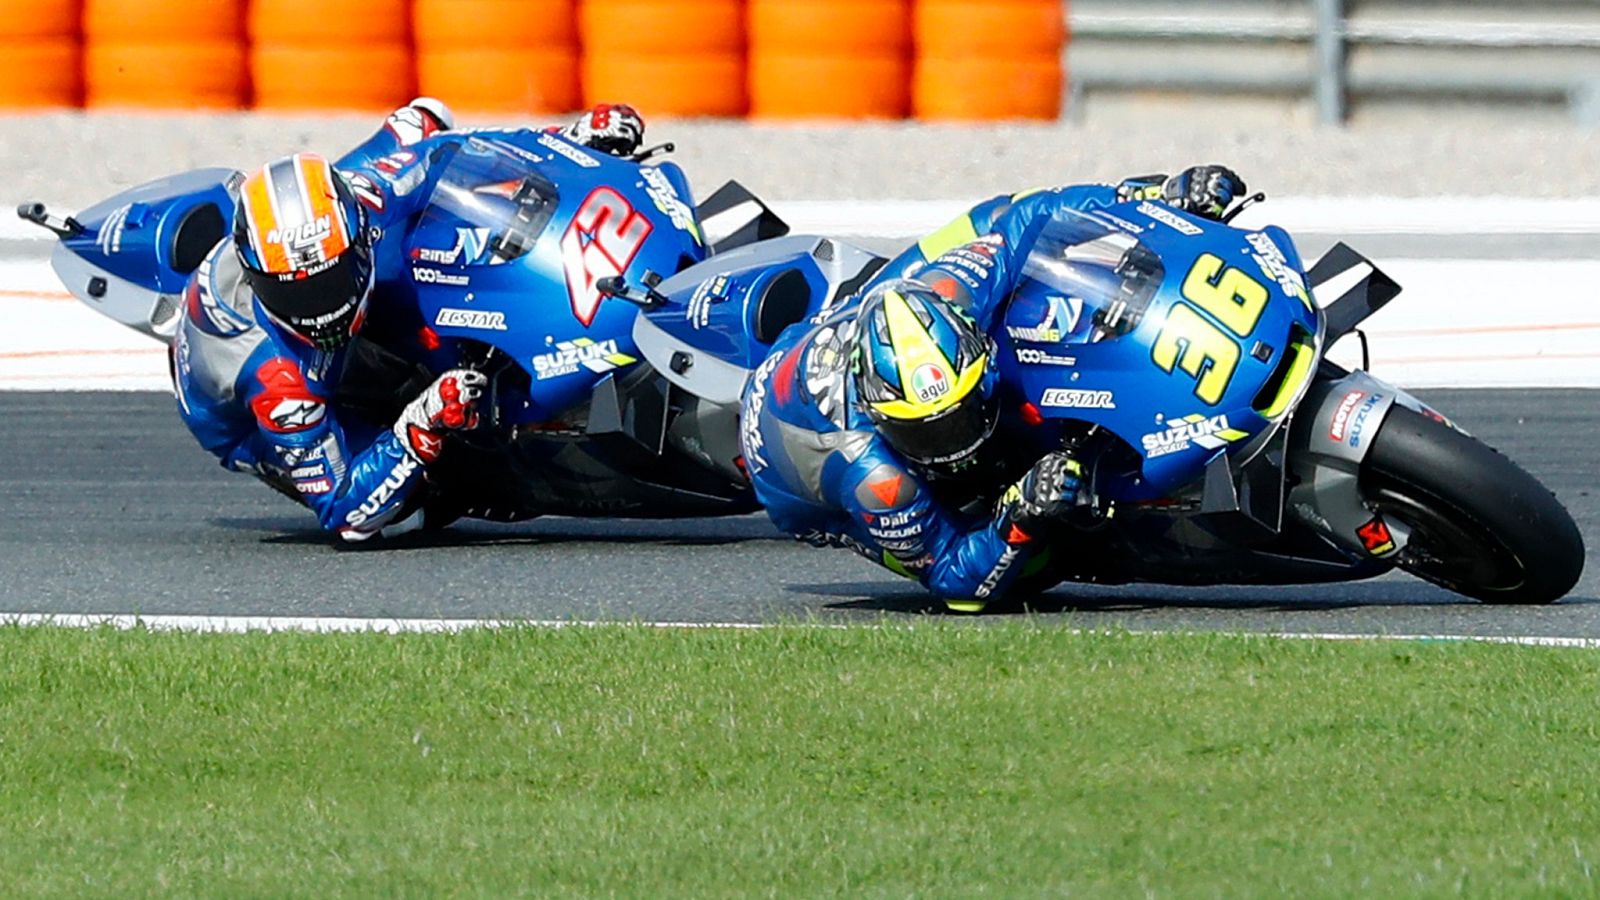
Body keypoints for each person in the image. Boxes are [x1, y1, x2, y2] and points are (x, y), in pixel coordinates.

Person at [741, 166, 1246, 611]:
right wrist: (1020, 514)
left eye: (958, 416)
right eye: (929, 434)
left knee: (1018, 257)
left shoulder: (953, 290)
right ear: (883, 418)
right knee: (1037, 562)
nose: (954, 442)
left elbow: (1033, 216)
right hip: (793, 479)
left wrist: (1159, 194)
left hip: (865, 317)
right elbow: (956, 582)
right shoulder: (875, 479)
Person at [171, 99, 648, 541]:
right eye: (293, 291)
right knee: (417, 506)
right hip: (250, 416)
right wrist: (419, 425)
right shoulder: (279, 385)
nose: (318, 306)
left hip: (354, 265)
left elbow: (449, 144)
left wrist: (568, 141)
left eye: (329, 281)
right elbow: (347, 513)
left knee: (424, 141)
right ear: (260, 281)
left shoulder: (369, 197)